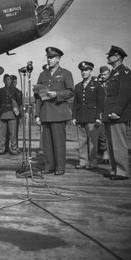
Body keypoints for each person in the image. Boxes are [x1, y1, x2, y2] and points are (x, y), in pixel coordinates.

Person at [34, 47, 74, 176]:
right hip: (45, 113)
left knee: (59, 142)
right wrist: (37, 114)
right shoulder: (43, 74)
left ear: (58, 59)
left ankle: (60, 167)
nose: (49, 60)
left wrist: (56, 94)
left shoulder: (66, 73)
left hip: (58, 112)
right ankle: (49, 166)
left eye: (51, 57)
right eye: (48, 57)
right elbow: (37, 96)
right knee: (47, 143)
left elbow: (70, 92)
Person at [102, 45, 131, 180]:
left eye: (110, 55)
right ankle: (114, 170)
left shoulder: (124, 72)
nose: (108, 57)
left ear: (118, 57)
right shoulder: (113, 73)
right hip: (109, 113)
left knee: (118, 144)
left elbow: (124, 94)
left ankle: (122, 171)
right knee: (111, 144)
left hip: (117, 114)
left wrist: (117, 111)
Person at [71, 61, 105, 169]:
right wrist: (74, 117)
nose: (83, 72)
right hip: (81, 117)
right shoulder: (78, 86)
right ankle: (83, 161)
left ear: (90, 71)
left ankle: (93, 162)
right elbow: (75, 103)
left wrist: (99, 117)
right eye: (82, 71)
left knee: (92, 141)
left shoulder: (97, 85)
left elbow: (101, 102)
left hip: (92, 117)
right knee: (82, 141)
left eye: (86, 70)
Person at [0, 74, 20, 155]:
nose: (7, 81)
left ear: (11, 80)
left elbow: (18, 102)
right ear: (3, 81)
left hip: (12, 113)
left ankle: (13, 148)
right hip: (3, 113)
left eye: (9, 79)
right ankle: (1, 148)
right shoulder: (0, 90)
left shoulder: (15, 90)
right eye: (5, 79)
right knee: (2, 133)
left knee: (13, 133)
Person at [97, 66, 111, 163]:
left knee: (111, 134)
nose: (103, 76)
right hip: (101, 111)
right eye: (102, 74)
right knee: (102, 134)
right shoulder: (98, 85)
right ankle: (105, 153)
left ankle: (110, 154)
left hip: (111, 111)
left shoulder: (114, 83)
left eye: (105, 74)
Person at [11, 74, 23, 145]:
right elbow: (20, 105)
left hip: (14, 114)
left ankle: (13, 146)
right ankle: (15, 146)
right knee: (14, 131)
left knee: (13, 132)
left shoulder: (18, 92)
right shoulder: (18, 91)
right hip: (15, 114)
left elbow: (20, 104)